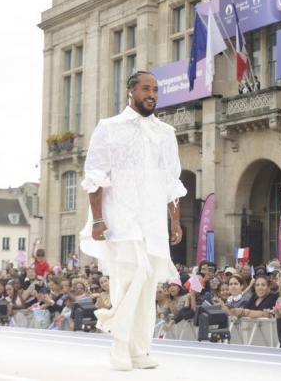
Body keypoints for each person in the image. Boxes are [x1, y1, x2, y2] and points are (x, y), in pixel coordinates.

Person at [79, 70, 186, 371]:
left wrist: (174, 221)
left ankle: (139, 349)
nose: (151, 94)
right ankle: (119, 346)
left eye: (155, 89)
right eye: (145, 89)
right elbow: (96, 176)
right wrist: (98, 219)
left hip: (152, 219)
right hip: (120, 216)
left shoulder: (165, 133)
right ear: (131, 91)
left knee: (149, 282)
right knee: (131, 274)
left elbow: (171, 181)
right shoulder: (109, 128)